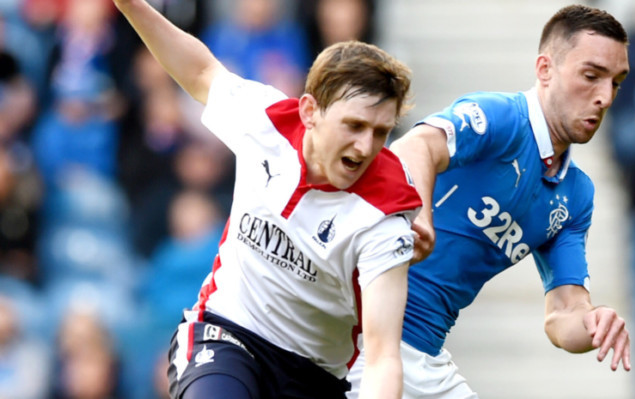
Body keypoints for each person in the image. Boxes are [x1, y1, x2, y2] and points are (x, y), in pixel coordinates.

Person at [112, 1, 421, 399]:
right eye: (354, 125)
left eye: (380, 132)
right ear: (310, 111)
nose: (366, 146)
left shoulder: (385, 214)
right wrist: (131, 6)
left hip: (314, 376)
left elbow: (381, 357)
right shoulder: (267, 121)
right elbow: (202, 70)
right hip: (225, 335)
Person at [346, 4, 632, 398]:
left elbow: (562, 314)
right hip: (361, 330)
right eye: (591, 76)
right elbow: (416, 146)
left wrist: (593, 324)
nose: (605, 97)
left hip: (423, 352)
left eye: (616, 82)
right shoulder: (501, 118)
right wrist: (421, 218)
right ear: (545, 69)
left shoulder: (576, 196)